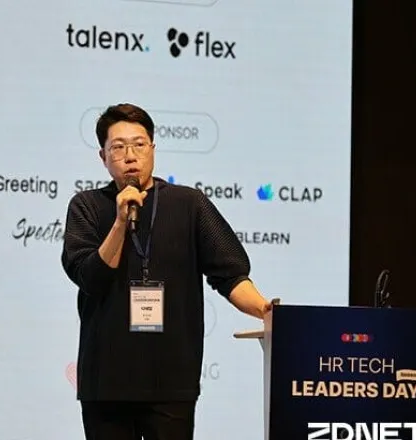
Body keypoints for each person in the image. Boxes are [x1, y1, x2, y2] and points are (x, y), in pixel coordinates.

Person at [61, 103, 272, 440]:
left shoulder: (190, 204)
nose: (130, 156)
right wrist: (120, 221)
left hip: (171, 379)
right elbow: (89, 276)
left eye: (139, 144)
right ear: (103, 157)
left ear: (153, 149)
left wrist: (265, 310)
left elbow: (231, 274)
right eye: (118, 147)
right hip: (106, 380)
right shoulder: (86, 206)